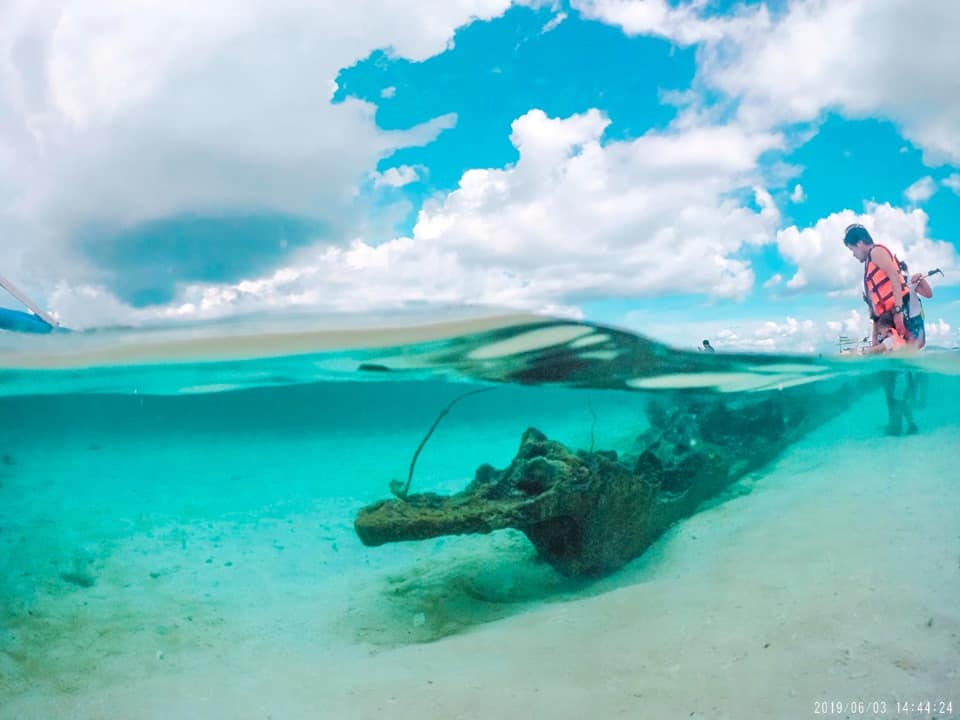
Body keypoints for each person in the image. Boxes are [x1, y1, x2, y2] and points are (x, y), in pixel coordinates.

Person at [842, 224, 913, 346]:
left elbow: (894, 277)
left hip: (898, 310)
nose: (853, 254)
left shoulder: (876, 252)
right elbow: (874, 309)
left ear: (859, 244)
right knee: (883, 353)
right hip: (886, 319)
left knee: (895, 349)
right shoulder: (869, 268)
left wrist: (898, 311)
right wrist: (874, 338)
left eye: (852, 249)